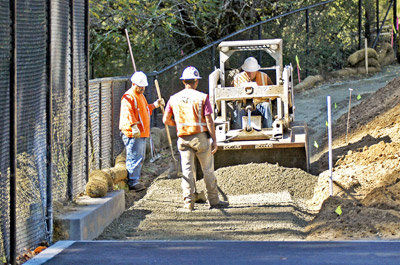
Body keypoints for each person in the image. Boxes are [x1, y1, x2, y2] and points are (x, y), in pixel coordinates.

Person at [163, 66, 228, 211]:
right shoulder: (202, 97)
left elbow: (165, 120)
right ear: (196, 82)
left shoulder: (174, 99)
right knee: (208, 170)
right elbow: (209, 120)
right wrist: (214, 140)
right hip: (200, 139)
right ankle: (214, 201)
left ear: (183, 81)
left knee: (187, 171)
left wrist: (178, 125)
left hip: (183, 139)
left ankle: (188, 203)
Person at [119, 71, 164, 191]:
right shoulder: (128, 97)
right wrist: (133, 126)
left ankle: (135, 178)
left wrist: (155, 105)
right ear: (133, 84)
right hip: (133, 133)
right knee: (134, 156)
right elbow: (128, 113)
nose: (143, 88)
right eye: (140, 86)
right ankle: (133, 182)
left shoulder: (141, 96)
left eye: (144, 86)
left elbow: (145, 110)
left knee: (139, 156)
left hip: (142, 132)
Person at [233, 57, 274, 129]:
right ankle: (238, 130)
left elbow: (273, 91)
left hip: (260, 104)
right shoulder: (238, 78)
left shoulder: (264, 77)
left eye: (252, 72)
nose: (250, 74)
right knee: (238, 108)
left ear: (256, 70)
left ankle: (268, 129)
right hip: (244, 105)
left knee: (266, 106)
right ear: (244, 70)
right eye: (248, 72)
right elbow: (233, 95)